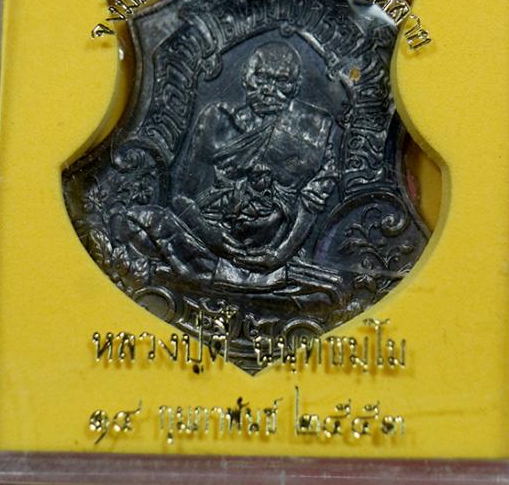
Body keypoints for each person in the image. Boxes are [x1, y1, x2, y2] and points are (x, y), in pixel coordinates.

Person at [126, 41, 348, 305]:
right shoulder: (217, 120)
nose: (269, 90)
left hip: (270, 251)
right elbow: (181, 196)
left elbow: (312, 203)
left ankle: (232, 279)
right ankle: (236, 279)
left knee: (331, 292)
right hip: (207, 238)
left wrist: (278, 256)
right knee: (133, 226)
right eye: (261, 78)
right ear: (245, 77)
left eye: (281, 82)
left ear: (295, 86)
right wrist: (208, 233)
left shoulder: (314, 130)